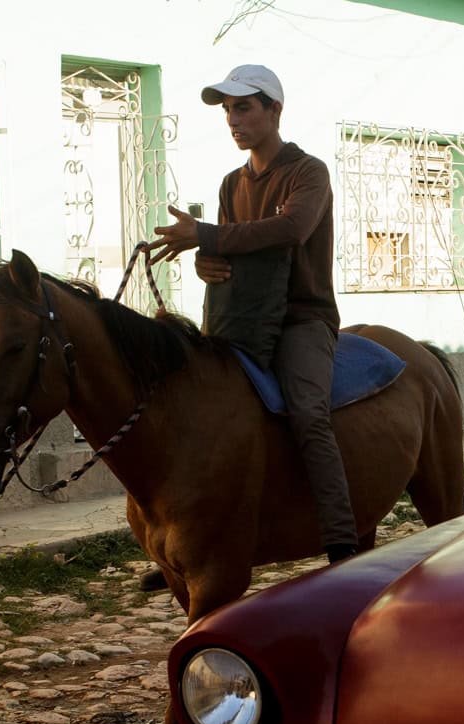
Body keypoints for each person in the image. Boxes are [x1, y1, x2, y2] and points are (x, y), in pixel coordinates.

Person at [147, 64, 359, 563]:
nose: (232, 119)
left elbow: (290, 231)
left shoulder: (309, 172)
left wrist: (206, 237)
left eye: (243, 107)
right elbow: (232, 252)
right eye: (226, 110)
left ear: (274, 110)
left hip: (301, 319)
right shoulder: (229, 184)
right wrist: (207, 262)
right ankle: (190, 540)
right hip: (241, 320)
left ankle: (342, 538)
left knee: (308, 413)